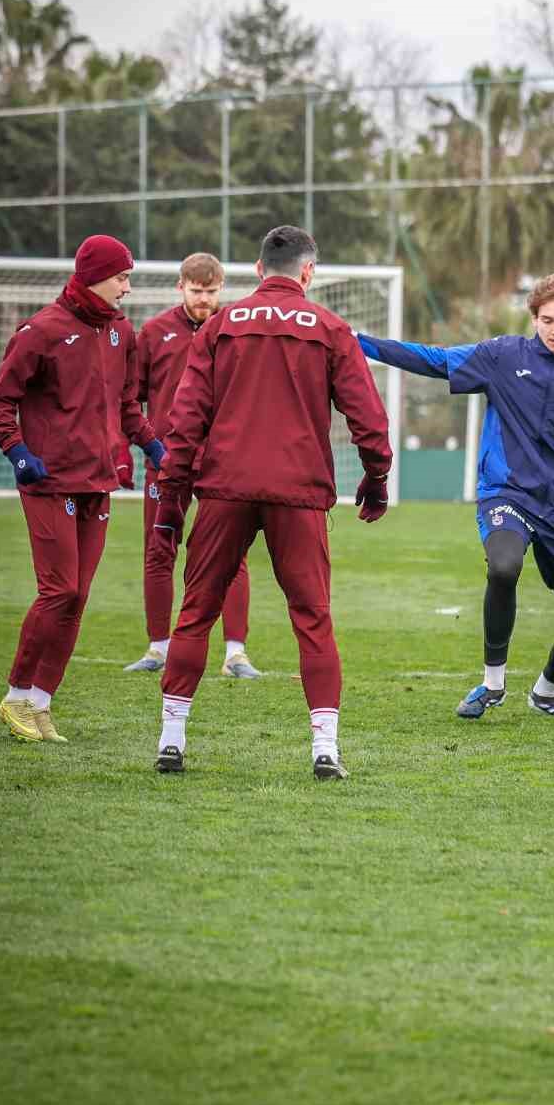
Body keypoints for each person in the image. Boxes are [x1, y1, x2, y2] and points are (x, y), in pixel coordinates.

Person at [152, 225, 392, 780]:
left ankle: (171, 739)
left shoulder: (218, 325)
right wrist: (376, 476)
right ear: (308, 273)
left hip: (223, 488)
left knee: (195, 614)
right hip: (299, 493)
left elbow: (184, 422)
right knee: (312, 618)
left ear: (259, 270)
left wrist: (170, 501)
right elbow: (368, 418)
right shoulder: (330, 329)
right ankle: (325, 749)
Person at [359, 273, 554, 720]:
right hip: (506, 493)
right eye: (548, 320)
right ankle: (492, 683)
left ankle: (545, 692)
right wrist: (361, 343)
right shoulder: (501, 356)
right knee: (503, 565)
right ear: (533, 318)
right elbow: (435, 361)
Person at [0, 235, 163, 744]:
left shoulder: (121, 333)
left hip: (98, 481)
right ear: (93, 276)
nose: (128, 288)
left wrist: (154, 448)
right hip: (49, 481)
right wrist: (20, 454)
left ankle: (40, 705)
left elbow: (128, 407)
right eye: (122, 277)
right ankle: (16, 693)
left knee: (78, 596)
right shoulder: (40, 331)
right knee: (58, 589)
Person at [121, 253, 258, 679]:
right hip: (166, 461)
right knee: (159, 550)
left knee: (232, 556)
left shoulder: (236, 330)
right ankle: (158, 647)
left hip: (222, 463)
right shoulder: (155, 332)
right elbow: (131, 399)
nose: (203, 299)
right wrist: (149, 444)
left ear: (222, 290)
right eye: (197, 291)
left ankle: (236, 653)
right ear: (180, 286)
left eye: (211, 292)